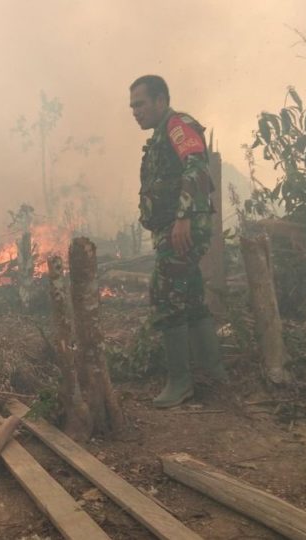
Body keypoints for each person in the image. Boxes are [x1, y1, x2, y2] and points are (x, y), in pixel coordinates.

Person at [129, 75, 227, 408]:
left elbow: (197, 165)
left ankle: (180, 383)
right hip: (174, 229)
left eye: (140, 104)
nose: (135, 111)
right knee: (192, 297)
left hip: (182, 228)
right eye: (132, 106)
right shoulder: (160, 134)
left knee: (166, 295)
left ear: (160, 100)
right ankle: (214, 372)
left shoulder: (176, 125)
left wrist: (184, 217)